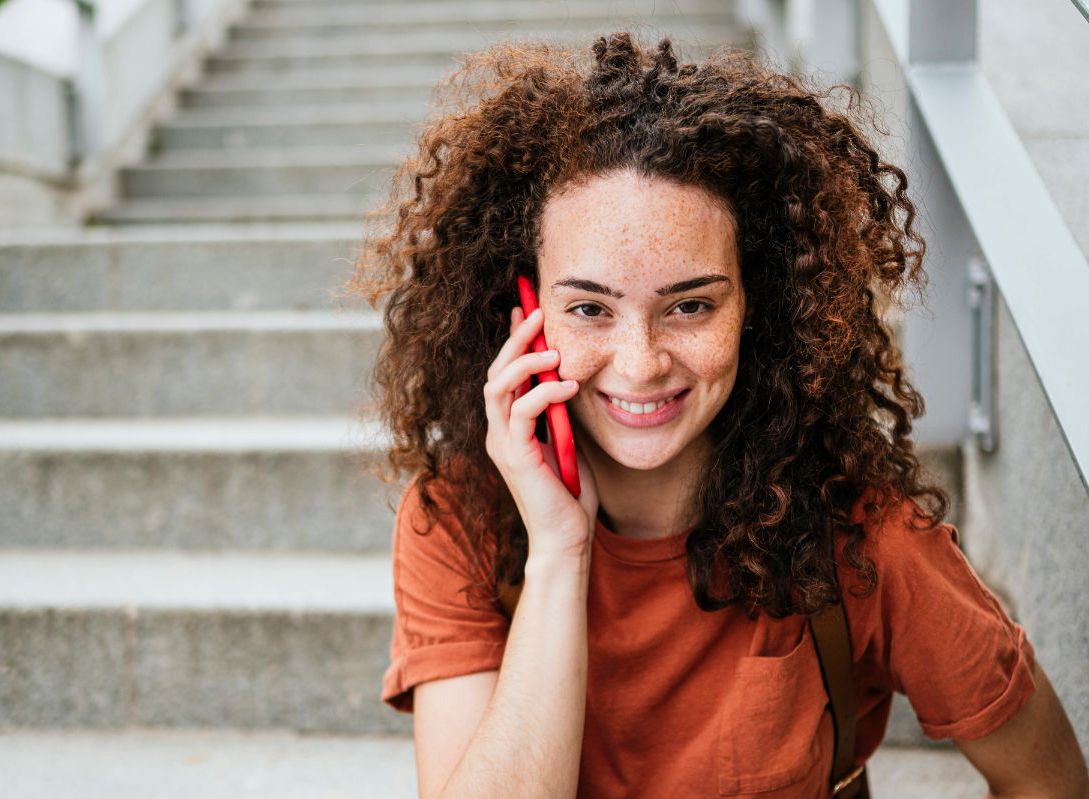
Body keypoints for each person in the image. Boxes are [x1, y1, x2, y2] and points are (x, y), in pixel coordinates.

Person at [348, 31, 1089, 799]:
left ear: (755, 307)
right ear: (524, 311)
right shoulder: (458, 520)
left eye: (691, 305)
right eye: (589, 307)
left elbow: (1051, 780)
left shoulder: (865, 537)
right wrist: (559, 555)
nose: (639, 362)